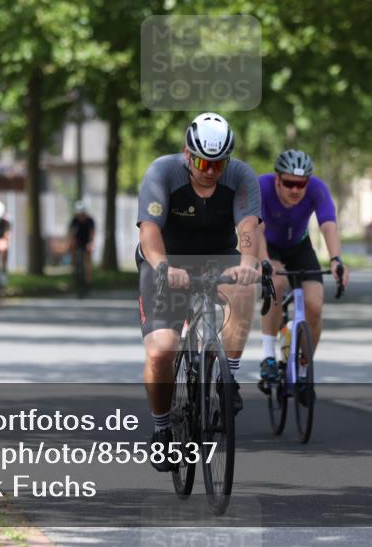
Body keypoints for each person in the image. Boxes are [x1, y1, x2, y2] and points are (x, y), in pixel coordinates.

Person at [136, 112, 262, 472]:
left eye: (219, 163)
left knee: (243, 289)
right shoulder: (162, 173)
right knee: (162, 350)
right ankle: (162, 430)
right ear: (186, 153)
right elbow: (149, 232)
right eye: (203, 161)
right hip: (166, 260)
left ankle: (228, 377)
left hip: (216, 257)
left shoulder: (240, 176)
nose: (210, 170)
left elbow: (248, 227)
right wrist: (164, 268)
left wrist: (249, 261)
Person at [257, 149, 347, 392]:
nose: (295, 190)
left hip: (300, 246)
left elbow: (328, 224)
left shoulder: (317, 188)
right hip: (268, 245)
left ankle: (303, 367)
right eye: (289, 183)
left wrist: (336, 259)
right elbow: (254, 228)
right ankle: (268, 357)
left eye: (301, 184)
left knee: (315, 305)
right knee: (276, 284)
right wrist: (264, 263)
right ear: (277, 179)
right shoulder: (261, 187)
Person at [67, 201, 96, 286]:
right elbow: (71, 232)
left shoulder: (90, 220)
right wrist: (71, 241)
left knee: (87, 259)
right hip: (77, 241)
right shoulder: (74, 220)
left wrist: (90, 243)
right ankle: (74, 268)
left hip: (86, 241)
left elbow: (92, 233)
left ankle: (88, 279)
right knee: (73, 251)